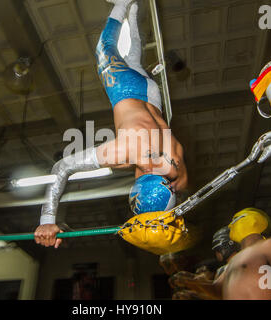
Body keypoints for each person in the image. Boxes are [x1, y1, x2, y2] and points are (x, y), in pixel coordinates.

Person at [34, 0, 188, 248]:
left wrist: (167, 214)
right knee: (103, 47)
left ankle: (135, 10)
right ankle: (123, 3)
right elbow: (61, 167)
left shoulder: (177, 166)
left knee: (134, 58)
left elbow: (176, 187)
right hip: (125, 89)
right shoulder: (127, 152)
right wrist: (48, 219)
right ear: (137, 184)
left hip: (151, 93)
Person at [213, 208, 271, 300]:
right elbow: (212, 289)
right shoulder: (233, 261)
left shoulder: (269, 246)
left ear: (252, 221)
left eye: (235, 220)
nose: (230, 225)